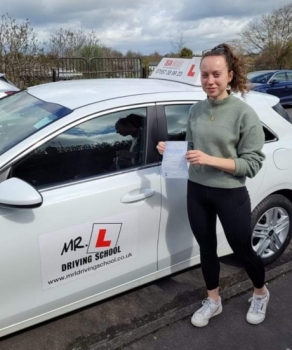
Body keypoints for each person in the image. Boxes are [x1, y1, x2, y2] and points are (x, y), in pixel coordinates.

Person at [156, 43, 269, 327]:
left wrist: (211, 159)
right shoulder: (195, 110)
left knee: (242, 250)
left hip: (230, 193)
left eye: (216, 74)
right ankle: (214, 300)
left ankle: (260, 292)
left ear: (230, 75)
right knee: (206, 250)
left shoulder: (244, 114)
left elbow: (252, 164)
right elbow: (193, 148)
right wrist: (171, 151)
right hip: (197, 191)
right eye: (205, 75)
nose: (210, 81)